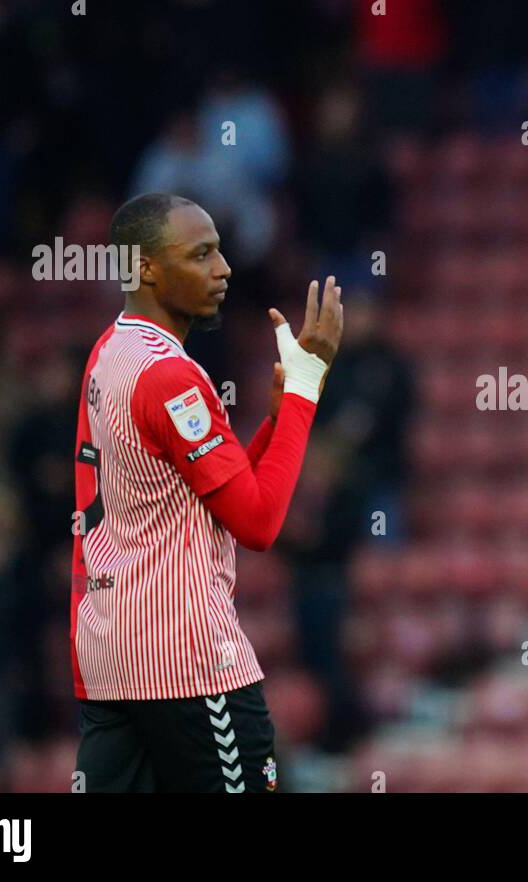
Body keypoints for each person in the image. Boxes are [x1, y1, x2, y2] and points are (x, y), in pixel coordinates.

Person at [71, 192, 342, 792]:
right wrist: (304, 388)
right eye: (201, 255)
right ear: (144, 268)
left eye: (220, 252)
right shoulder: (171, 375)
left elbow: (199, 495)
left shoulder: (109, 353)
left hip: (111, 656)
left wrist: (273, 424)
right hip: (187, 667)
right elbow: (258, 523)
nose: (223, 270)